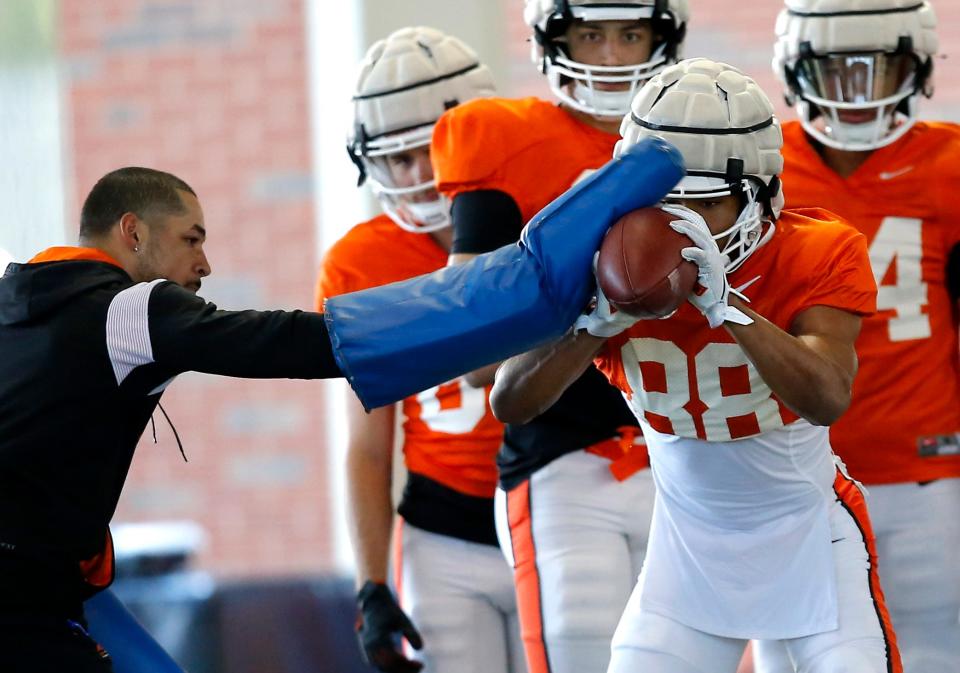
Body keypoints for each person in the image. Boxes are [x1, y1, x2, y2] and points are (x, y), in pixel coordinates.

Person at [0, 133, 683, 670]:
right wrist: (514, 296)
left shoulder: (17, 307)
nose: (204, 266)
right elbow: (289, 343)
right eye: (192, 239)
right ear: (132, 233)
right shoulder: (126, 309)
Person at [490, 58, 899, 673]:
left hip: (815, 544)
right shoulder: (601, 262)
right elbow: (510, 402)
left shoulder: (818, 247)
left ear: (759, 194)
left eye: (703, 205)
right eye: (662, 204)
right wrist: (588, 327)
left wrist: (732, 310)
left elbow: (827, 396)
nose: (678, 227)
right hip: (685, 563)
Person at [429, 2, 688, 671]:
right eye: (590, 35)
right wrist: (585, 301)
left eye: (630, 34)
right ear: (553, 41)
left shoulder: (705, 136)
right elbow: (475, 357)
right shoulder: (503, 139)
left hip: (692, 453)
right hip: (563, 455)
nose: (609, 57)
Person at [754, 2, 960, 671]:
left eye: (878, 70)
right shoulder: (762, 164)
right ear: (796, 68)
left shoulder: (948, 164)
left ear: (917, 67)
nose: (855, 91)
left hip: (922, 467)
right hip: (788, 469)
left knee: (931, 653)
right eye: (834, 70)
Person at [317, 27, 523, 673]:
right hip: (442, 534)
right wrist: (372, 583)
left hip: (556, 511)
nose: (414, 175)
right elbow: (369, 442)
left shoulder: (540, 216)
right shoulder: (360, 262)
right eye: (396, 158)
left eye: (428, 150)